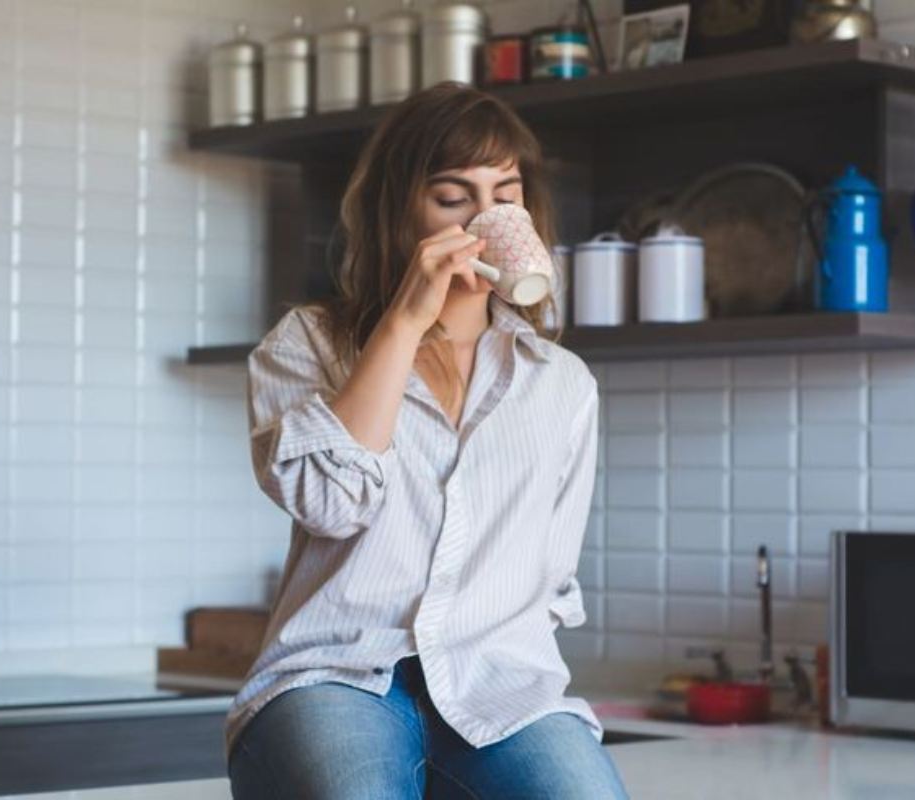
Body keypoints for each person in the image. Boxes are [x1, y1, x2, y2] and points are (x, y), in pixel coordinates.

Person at [225, 82, 629, 799]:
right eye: (454, 197)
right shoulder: (309, 345)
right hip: (337, 674)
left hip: (501, 683)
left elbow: (551, 570)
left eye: (506, 194)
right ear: (400, 209)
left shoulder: (561, 384)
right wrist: (406, 322)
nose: (487, 218)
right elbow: (328, 504)